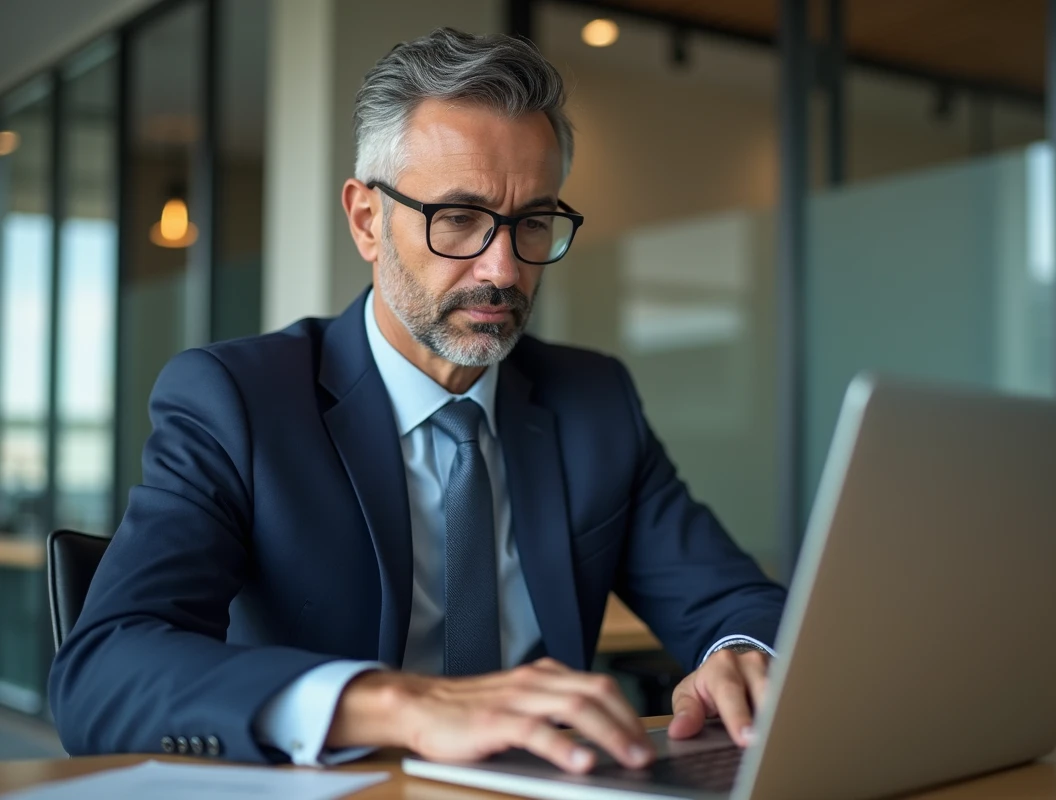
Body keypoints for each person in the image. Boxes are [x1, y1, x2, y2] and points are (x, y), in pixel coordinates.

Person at [48, 28, 786, 774]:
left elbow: (737, 604)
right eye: (459, 219)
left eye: (533, 223)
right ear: (367, 221)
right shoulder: (236, 401)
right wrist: (399, 704)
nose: (503, 270)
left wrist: (742, 655)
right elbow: (104, 673)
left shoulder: (593, 402)